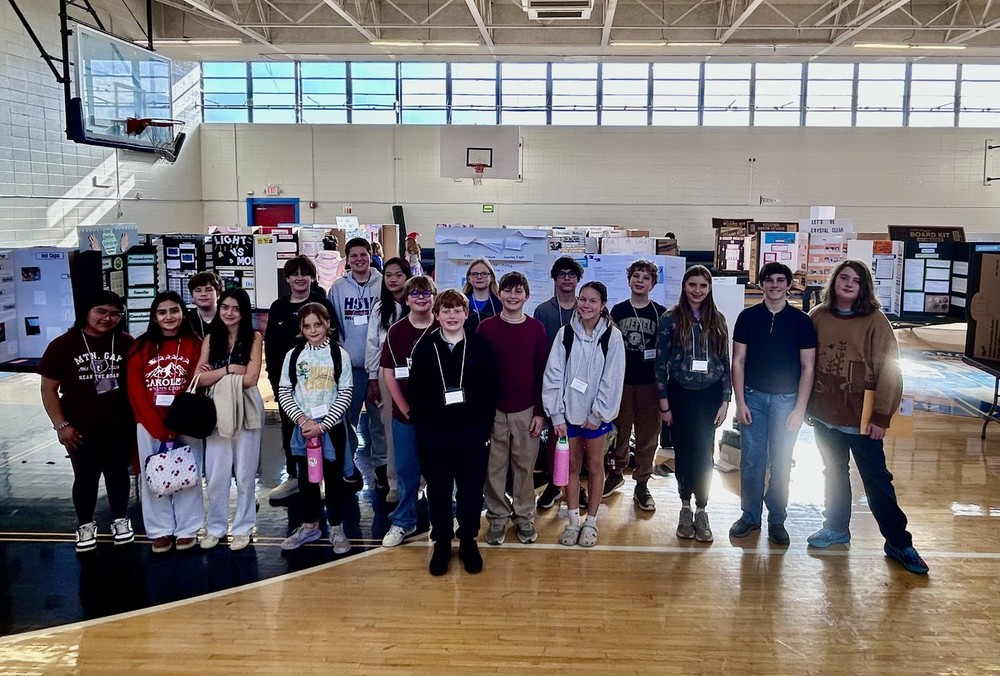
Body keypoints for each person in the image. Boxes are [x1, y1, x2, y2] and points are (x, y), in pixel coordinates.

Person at [806, 260, 928, 574]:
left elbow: (890, 370)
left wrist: (882, 416)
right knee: (833, 473)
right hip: (825, 418)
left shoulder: (875, 321)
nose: (848, 284)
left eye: (855, 280)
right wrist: (807, 407)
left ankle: (899, 542)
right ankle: (836, 527)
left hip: (862, 422)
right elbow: (804, 365)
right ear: (834, 282)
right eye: (843, 278)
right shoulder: (817, 316)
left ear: (864, 288)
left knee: (877, 482)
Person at [408, 290, 497, 575]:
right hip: (436, 435)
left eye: (457, 310)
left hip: (472, 434)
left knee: (471, 491)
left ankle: (468, 540)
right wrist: (425, 430)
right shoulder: (425, 347)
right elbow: (416, 393)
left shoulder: (481, 346)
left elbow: (489, 392)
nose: (451, 316)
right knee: (439, 490)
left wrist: (482, 426)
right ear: (436, 315)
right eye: (445, 311)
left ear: (466, 313)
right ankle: (442, 542)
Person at [39, 291, 134, 553]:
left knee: (118, 475)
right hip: (80, 428)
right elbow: (48, 389)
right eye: (101, 311)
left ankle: (120, 519)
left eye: (115, 313)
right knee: (85, 478)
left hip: (119, 425)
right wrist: (61, 425)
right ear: (86, 312)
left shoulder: (126, 342)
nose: (108, 318)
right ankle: (85, 525)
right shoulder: (62, 345)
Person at [729, 262, 816, 545]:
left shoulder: (802, 322)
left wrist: (799, 409)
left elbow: (808, 367)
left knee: (781, 462)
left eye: (781, 280)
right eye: (769, 280)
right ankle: (750, 516)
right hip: (753, 397)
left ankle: (777, 518)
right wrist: (740, 402)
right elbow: (738, 361)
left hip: (786, 402)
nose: (775, 285)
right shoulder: (748, 317)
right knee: (752, 461)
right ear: (761, 284)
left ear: (789, 285)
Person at [542, 281, 625, 548]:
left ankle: (591, 521)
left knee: (596, 466)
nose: (586, 305)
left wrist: (599, 413)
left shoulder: (613, 337)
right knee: (571, 468)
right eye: (583, 299)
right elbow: (553, 374)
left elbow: (612, 379)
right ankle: (573, 521)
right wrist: (556, 414)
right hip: (568, 416)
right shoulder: (565, 334)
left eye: (593, 301)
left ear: (602, 305)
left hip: (596, 418)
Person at [655, 265, 731, 544]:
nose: (697, 290)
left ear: (709, 289)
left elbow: (725, 361)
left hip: (710, 396)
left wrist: (726, 399)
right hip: (681, 395)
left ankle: (702, 508)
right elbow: (660, 363)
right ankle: (685, 506)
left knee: (705, 454)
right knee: (685, 453)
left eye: (703, 286)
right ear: (684, 286)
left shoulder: (717, 319)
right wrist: (664, 403)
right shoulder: (670, 319)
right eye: (692, 285)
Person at [126, 291, 204, 554]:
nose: (169, 316)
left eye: (174, 310)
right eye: (162, 312)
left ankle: (187, 528)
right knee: (153, 476)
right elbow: (135, 391)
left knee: (188, 476)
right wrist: (158, 429)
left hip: (185, 421)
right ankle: (159, 530)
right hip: (150, 424)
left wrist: (177, 424)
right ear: (154, 317)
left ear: (183, 313)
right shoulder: (140, 346)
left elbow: (196, 385)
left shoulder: (196, 343)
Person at [478, 272, 549, 546]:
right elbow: (477, 372)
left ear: (527, 296)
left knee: (524, 467)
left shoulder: (536, 329)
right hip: (494, 411)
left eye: (518, 291)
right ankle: (497, 518)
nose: (513, 296)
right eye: (508, 291)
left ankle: (523, 517)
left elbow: (543, 372)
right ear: (500, 294)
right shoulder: (486, 328)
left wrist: (540, 412)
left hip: (526, 410)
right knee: (494, 468)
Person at [277, 303, 355, 554]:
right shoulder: (293, 355)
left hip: (330, 429)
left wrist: (323, 425)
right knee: (306, 479)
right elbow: (285, 391)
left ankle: (336, 526)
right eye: (307, 325)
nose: (313, 329)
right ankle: (310, 525)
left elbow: (345, 392)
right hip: (302, 429)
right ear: (301, 327)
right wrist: (302, 421)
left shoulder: (338, 354)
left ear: (327, 324)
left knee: (333, 478)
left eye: (317, 324)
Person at [195, 288, 264, 551]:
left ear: (244, 312)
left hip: (246, 405)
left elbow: (251, 378)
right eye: (225, 307)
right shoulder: (211, 337)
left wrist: (216, 374)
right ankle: (215, 527)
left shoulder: (255, 337)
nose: (229, 313)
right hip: (216, 407)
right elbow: (199, 378)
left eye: (236, 308)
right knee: (216, 473)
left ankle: (244, 527)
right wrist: (230, 369)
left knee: (245, 473)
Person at [264, 256, 338, 502]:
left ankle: (327, 476)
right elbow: (272, 348)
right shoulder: (278, 307)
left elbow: (334, 344)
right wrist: (276, 383)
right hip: (289, 388)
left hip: (320, 388)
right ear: (287, 279)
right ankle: (295, 476)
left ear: (312, 276)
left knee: (325, 430)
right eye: (294, 274)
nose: (299, 277)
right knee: (290, 431)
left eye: (304, 273)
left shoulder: (322, 303)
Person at [379, 275, 438, 548]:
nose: (421, 297)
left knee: (440, 469)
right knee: (406, 470)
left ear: (434, 297)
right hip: (406, 416)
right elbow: (389, 374)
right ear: (406, 298)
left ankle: (443, 520)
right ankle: (404, 520)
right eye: (415, 293)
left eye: (426, 293)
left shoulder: (442, 327)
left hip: (439, 416)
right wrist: (404, 408)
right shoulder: (396, 332)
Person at [604, 260, 667, 511]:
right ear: (629, 280)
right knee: (619, 432)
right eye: (636, 276)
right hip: (622, 383)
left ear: (653, 283)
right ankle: (616, 473)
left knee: (648, 435)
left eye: (645, 277)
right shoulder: (617, 311)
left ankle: (642, 482)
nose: (640, 280)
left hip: (650, 384)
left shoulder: (661, 313)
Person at [533, 256, 587, 511]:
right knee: (555, 435)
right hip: (552, 380)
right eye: (561, 274)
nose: (566, 278)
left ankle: (575, 485)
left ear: (578, 279)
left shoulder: (586, 308)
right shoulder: (543, 311)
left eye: (571, 274)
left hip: (579, 385)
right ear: (554, 278)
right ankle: (555, 485)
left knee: (579, 437)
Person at [328, 237, 383, 487]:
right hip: (350, 367)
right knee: (346, 419)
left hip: (380, 367)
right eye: (354, 256)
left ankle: (382, 469)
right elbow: (334, 324)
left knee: (379, 421)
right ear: (347, 259)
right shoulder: (338, 288)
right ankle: (347, 466)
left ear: (370, 255)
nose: (359, 259)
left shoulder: (382, 283)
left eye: (363, 254)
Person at [365, 257, 413, 502]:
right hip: (388, 375)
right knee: (391, 429)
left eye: (399, 275)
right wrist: (373, 379)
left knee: (418, 427)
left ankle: (421, 481)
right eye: (388, 275)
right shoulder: (378, 309)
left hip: (416, 377)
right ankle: (394, 482)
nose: (393, 279)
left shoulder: (418, 304)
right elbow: (373, 346)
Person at [462, 258, 501, 332]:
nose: (479, 277)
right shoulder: (460, 303)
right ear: (468, 279)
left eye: (484, 273)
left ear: (492, 277)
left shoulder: (500, 303)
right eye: (474, 274)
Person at [187, 272, 221, 339]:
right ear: (192, 295)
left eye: (208, 290)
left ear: (218, 293)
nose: (203, 294)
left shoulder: (227, 316)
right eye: (198, 290)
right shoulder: (186, 320)